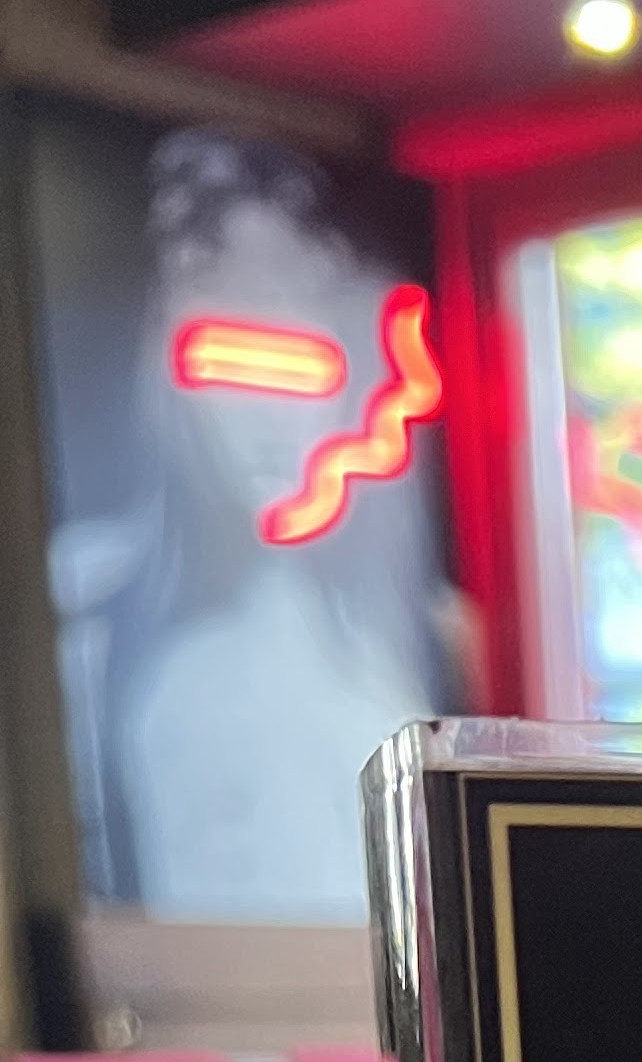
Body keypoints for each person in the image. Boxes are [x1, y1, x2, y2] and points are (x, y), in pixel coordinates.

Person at [99, 134, 450, 922]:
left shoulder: (387, 634)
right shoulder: (150, 653)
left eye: (302, 367)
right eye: (228, 361)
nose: (267, 417)